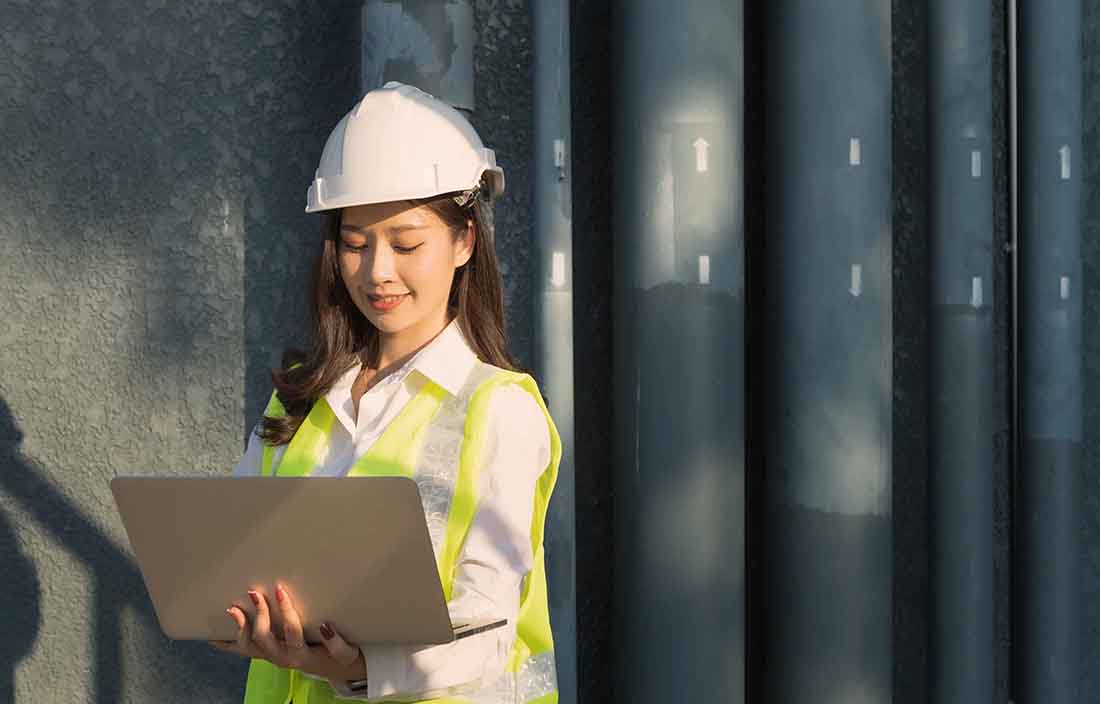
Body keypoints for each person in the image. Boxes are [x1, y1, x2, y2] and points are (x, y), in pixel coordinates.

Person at [208, 81, 562, 704]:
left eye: (406, 243)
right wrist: (230, 616)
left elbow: (488, 631)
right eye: (354, 243)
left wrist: (358, 668)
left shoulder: (499, 408)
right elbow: (232, 568)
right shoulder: (299, 399)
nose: (377, 272)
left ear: (464, 241)